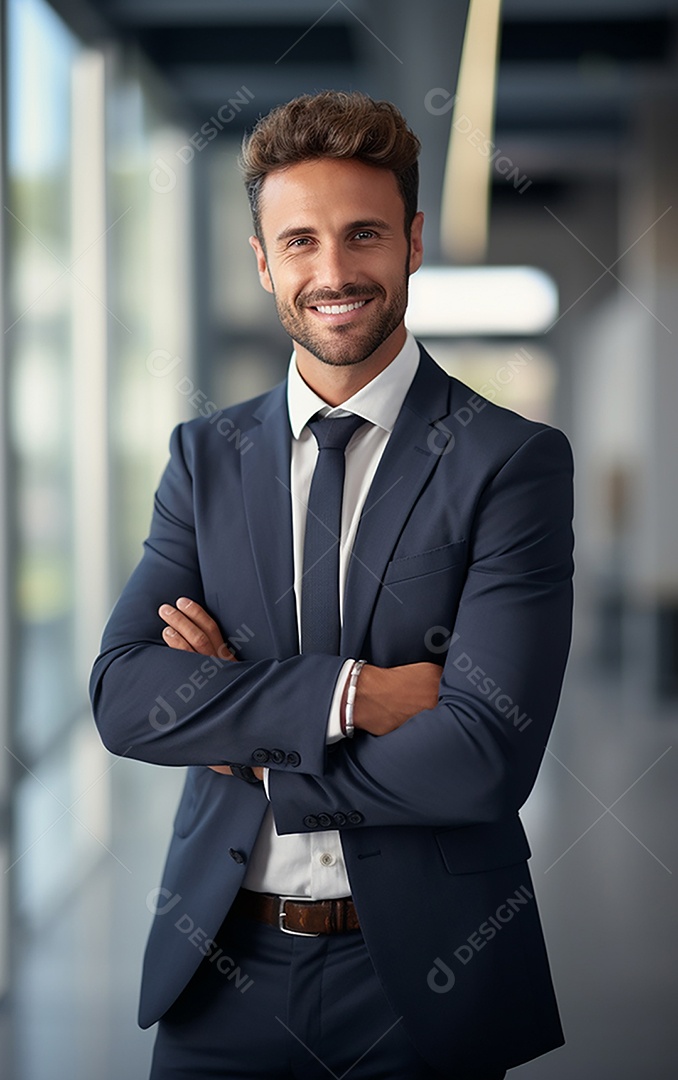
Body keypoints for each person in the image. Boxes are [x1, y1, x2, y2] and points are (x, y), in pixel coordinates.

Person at [90, 90, 574, 1080]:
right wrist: (357, 696)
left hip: (426, 977)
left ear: (413, 241)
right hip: (221, 968)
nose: (335, 271)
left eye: (364, 234)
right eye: (300, 241)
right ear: (265, 261)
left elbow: (483, 755)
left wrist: (257, 752)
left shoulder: (508, 460)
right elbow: (126, 697)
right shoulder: (206, 458)